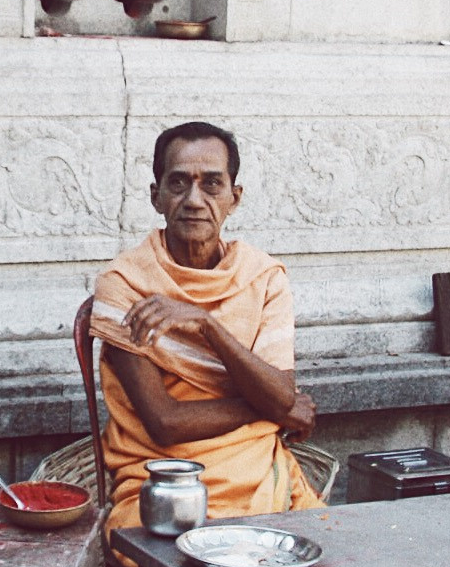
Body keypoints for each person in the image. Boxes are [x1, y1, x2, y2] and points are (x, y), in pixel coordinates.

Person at [88, 120, 322, 540]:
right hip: (161, 480)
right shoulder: (124, 284)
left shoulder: (263, 277)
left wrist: (206, 325)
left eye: (212, 184)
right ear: (156, 197)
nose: (194, 200)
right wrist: (272, 409)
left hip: (253, 470)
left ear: (235, 197)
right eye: (178, 183)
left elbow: (282, 394)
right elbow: (166, 423)